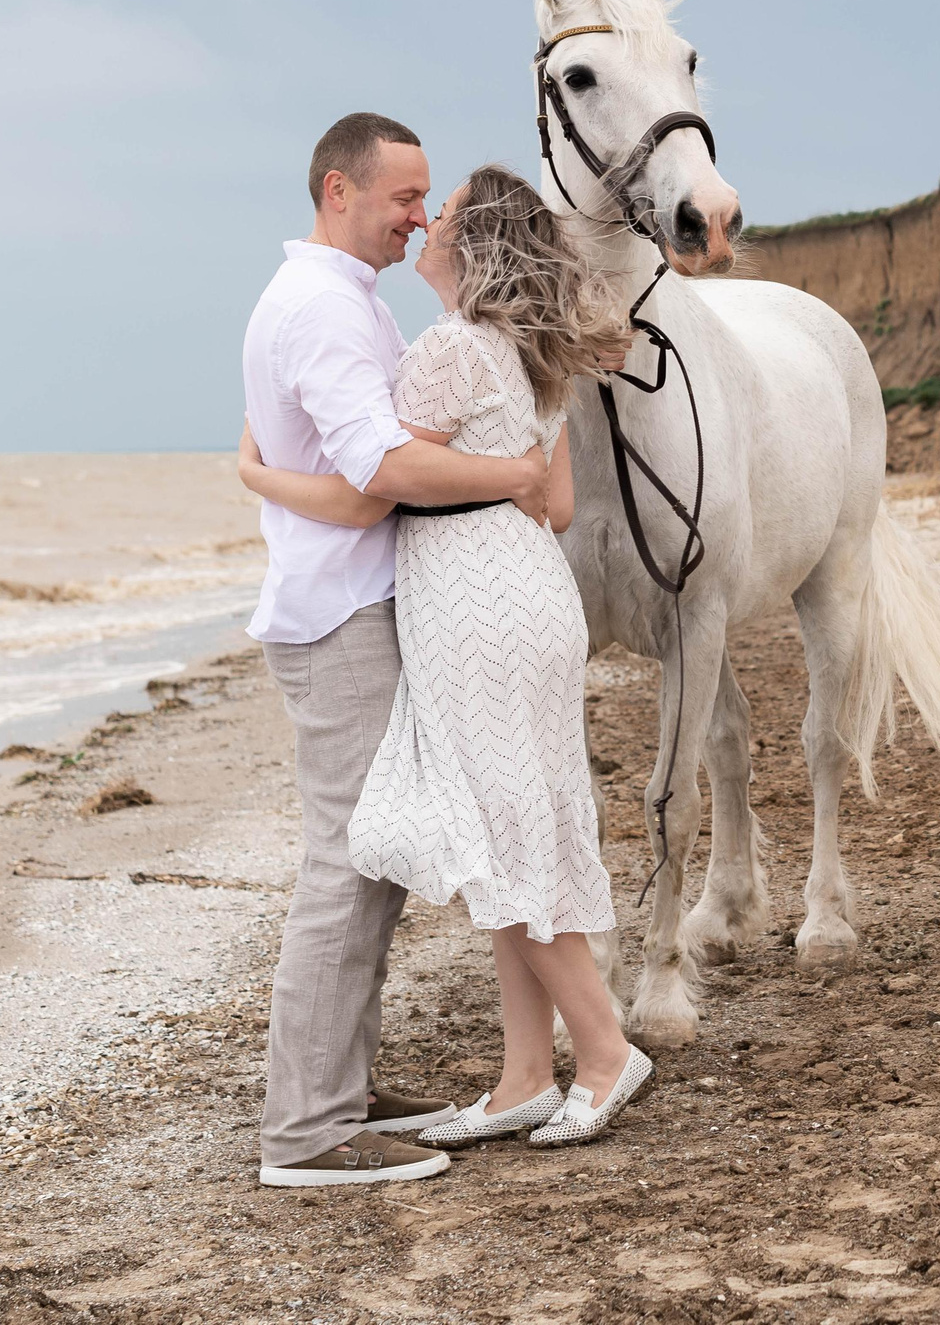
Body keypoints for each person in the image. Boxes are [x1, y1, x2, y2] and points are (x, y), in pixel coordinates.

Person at [239, 164, 652, 1151]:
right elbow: (557, 508)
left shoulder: (448, 348)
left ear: (473, 245)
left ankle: (604, 1052)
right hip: (534, 591)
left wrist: (259, 475)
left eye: (446, 213)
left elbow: (374, 490)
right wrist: (506, 475)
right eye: (417, 206)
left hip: (471, 607)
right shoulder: (537, 354)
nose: (427, 223)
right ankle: (523, 1077)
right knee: (519, 826)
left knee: (499, 837)